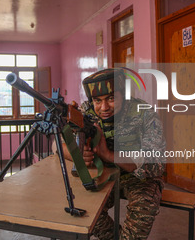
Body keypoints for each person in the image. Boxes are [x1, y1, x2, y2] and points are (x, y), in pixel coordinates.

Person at [64, 68, 166, 239]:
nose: (104, 108)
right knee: (79, 207)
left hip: (138, 178)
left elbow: (155, 162)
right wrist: (76, 154)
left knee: (142, 210)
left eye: (111, 99)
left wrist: (108, 154)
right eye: (97, 100)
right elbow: (57, 145)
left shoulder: (145, 113)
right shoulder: (86, 112)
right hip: (103, 174)